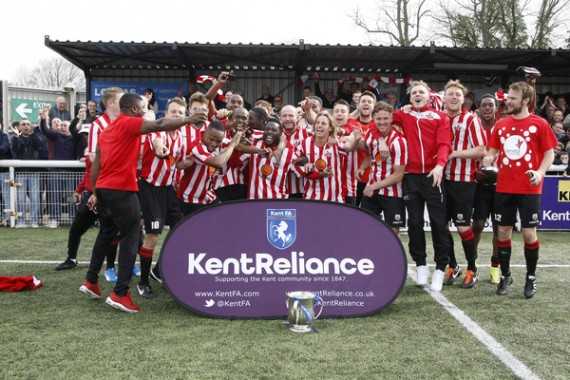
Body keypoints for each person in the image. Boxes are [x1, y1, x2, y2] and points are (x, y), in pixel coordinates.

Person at [79, 93, 208, 313]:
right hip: (122, 188)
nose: (145, 109)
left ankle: (91, 281)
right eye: (143, 106)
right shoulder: (130, 123)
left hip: (105, 188)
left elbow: (97, 163)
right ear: (134, 109)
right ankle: (120, 293)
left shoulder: (108, 129)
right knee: (131, 238)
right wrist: (188, 119)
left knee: (108, 233)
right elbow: (158, 125)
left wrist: (96, 191)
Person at [482, 81, 558, 298]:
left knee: (528, 234)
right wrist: (488, 161)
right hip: (504, 187)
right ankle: (506, 275)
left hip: (529, 188)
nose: (508, 101)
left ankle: (531, 278)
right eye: (508, 97)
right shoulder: (501, 124)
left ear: (526, 100)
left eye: (513, 98)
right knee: (503, 232)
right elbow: (492, 152)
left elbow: (549, 154)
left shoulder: (540, 124)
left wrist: (540, 172)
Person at [392, 80, 452, 292]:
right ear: (410, 98)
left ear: (428, 97)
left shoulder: (439, 117)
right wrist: (398, 111)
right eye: (414, 93)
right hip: (410, 177)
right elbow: (378, 122)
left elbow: (445, 144)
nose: (417, 95)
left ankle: (440, 268)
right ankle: (420, 266)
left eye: (421, 92)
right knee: (415, 224)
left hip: (433, 176)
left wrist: (440, 166)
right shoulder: (403, 114)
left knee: (438, 222)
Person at [136, 97, 187, 299]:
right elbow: (158, 145)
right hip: (151, 187)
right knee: (152, 235)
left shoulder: (182, 135)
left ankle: (157, 271)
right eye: (173, 112)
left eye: (180, 113)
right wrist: (160, 149)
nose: (176, 116)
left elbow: (177, 162)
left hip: (168, 189)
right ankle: (143, 283)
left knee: (182, 230)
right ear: (166, 113)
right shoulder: (157, 130)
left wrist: (185, 165)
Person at [441, 80, 487, 289]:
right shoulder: (438, 118)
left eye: (457, 95)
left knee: (462, 226)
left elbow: (481, 150)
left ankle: (472, 268)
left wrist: (453, 154)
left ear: (464, 99)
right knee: (441, 226)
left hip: (463, 180)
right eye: (450, 94)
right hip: (440, 179)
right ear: (443, 97)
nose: (453, 98)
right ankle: (452, 265)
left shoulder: (470, 120)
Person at [357, 101, 407, 236]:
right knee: (364, 226)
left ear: (391, 118)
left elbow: (398, 175)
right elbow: (369, 153)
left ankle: (391, 257)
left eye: (385, 118)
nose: (382, 122)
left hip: (392, 193)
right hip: (372, 189)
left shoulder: (398, 142)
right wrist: (362, 167)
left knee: (393, 232)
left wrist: (373, 187)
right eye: (378, 119)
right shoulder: (370, 135)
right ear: (373, 120)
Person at [295, 111, 361, 202]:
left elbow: (348, 148)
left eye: (323, 123)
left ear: (330, 128)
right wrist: (306, 163)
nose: (319, 125)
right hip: (311, 198)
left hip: (335, 200)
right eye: (317, 123)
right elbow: (296, 162)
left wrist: (356, 140)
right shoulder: (304, 143)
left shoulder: (335, 142)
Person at [471, 94, 501, 285]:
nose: (488, 108)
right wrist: (475, 172)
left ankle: (495, 267)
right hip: (480, 185)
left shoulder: (503, 127)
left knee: (499, 227)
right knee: (478, 225)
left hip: (501, 186)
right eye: (484, 105)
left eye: (491, 105)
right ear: (479, 109)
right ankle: (471, 263)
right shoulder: (474, 127)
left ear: (496, 108)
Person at [241, 117, 300, 199]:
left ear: (280, 133)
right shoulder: (255, 144)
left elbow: (303, 172)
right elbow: (238, 153)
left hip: (278, 202)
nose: (269, 132)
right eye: (267, 129)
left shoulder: (289, 153)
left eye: (273, 130)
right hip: (254, 201)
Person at [10, 119, 43, 228]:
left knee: (34, 198)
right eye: (23, 124)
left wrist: (33, 134)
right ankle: (21, 221)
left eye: (28, 124)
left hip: (34, 172)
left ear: (31, 127)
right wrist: (16, 137)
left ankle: (34, 221)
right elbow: (15, 149)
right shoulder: (15, 138)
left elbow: (40, 146)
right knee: (20, 198)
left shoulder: (35, 137)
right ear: (19, 127)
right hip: (20, 173)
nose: (26, 126)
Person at [280, 104, 311, 198]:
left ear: (297, 118)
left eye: (291, 115)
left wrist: (307, 158)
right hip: (278, 190)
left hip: (301, 191)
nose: (287, 119)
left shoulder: (307, 135)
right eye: (284, 116)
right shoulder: (274, 136)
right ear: (280, 118)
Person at [0, 125, 12, 226]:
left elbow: (4, 148)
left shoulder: (4, 136)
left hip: (4, 172)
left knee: (6, 196)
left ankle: (9, 219)